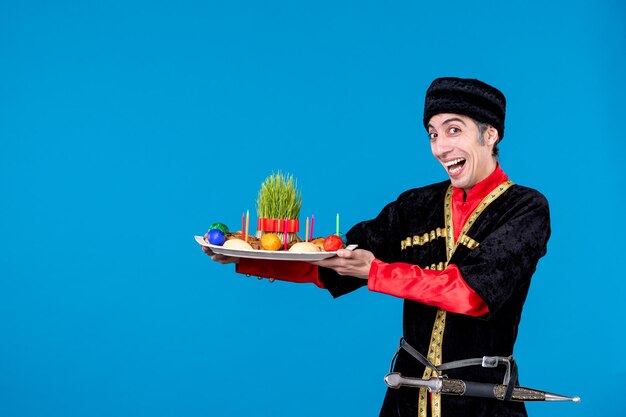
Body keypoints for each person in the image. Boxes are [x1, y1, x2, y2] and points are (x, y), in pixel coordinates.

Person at [202, 77, 550, 417]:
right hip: (406, 398)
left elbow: (470, 294)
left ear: (490, 134)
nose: (440, 147)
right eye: (433, 133)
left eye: (453, 130)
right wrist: (247, 258)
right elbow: (336, 263)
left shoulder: (525, 208)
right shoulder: (415, 206)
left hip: (482, 403)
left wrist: (375, 272)